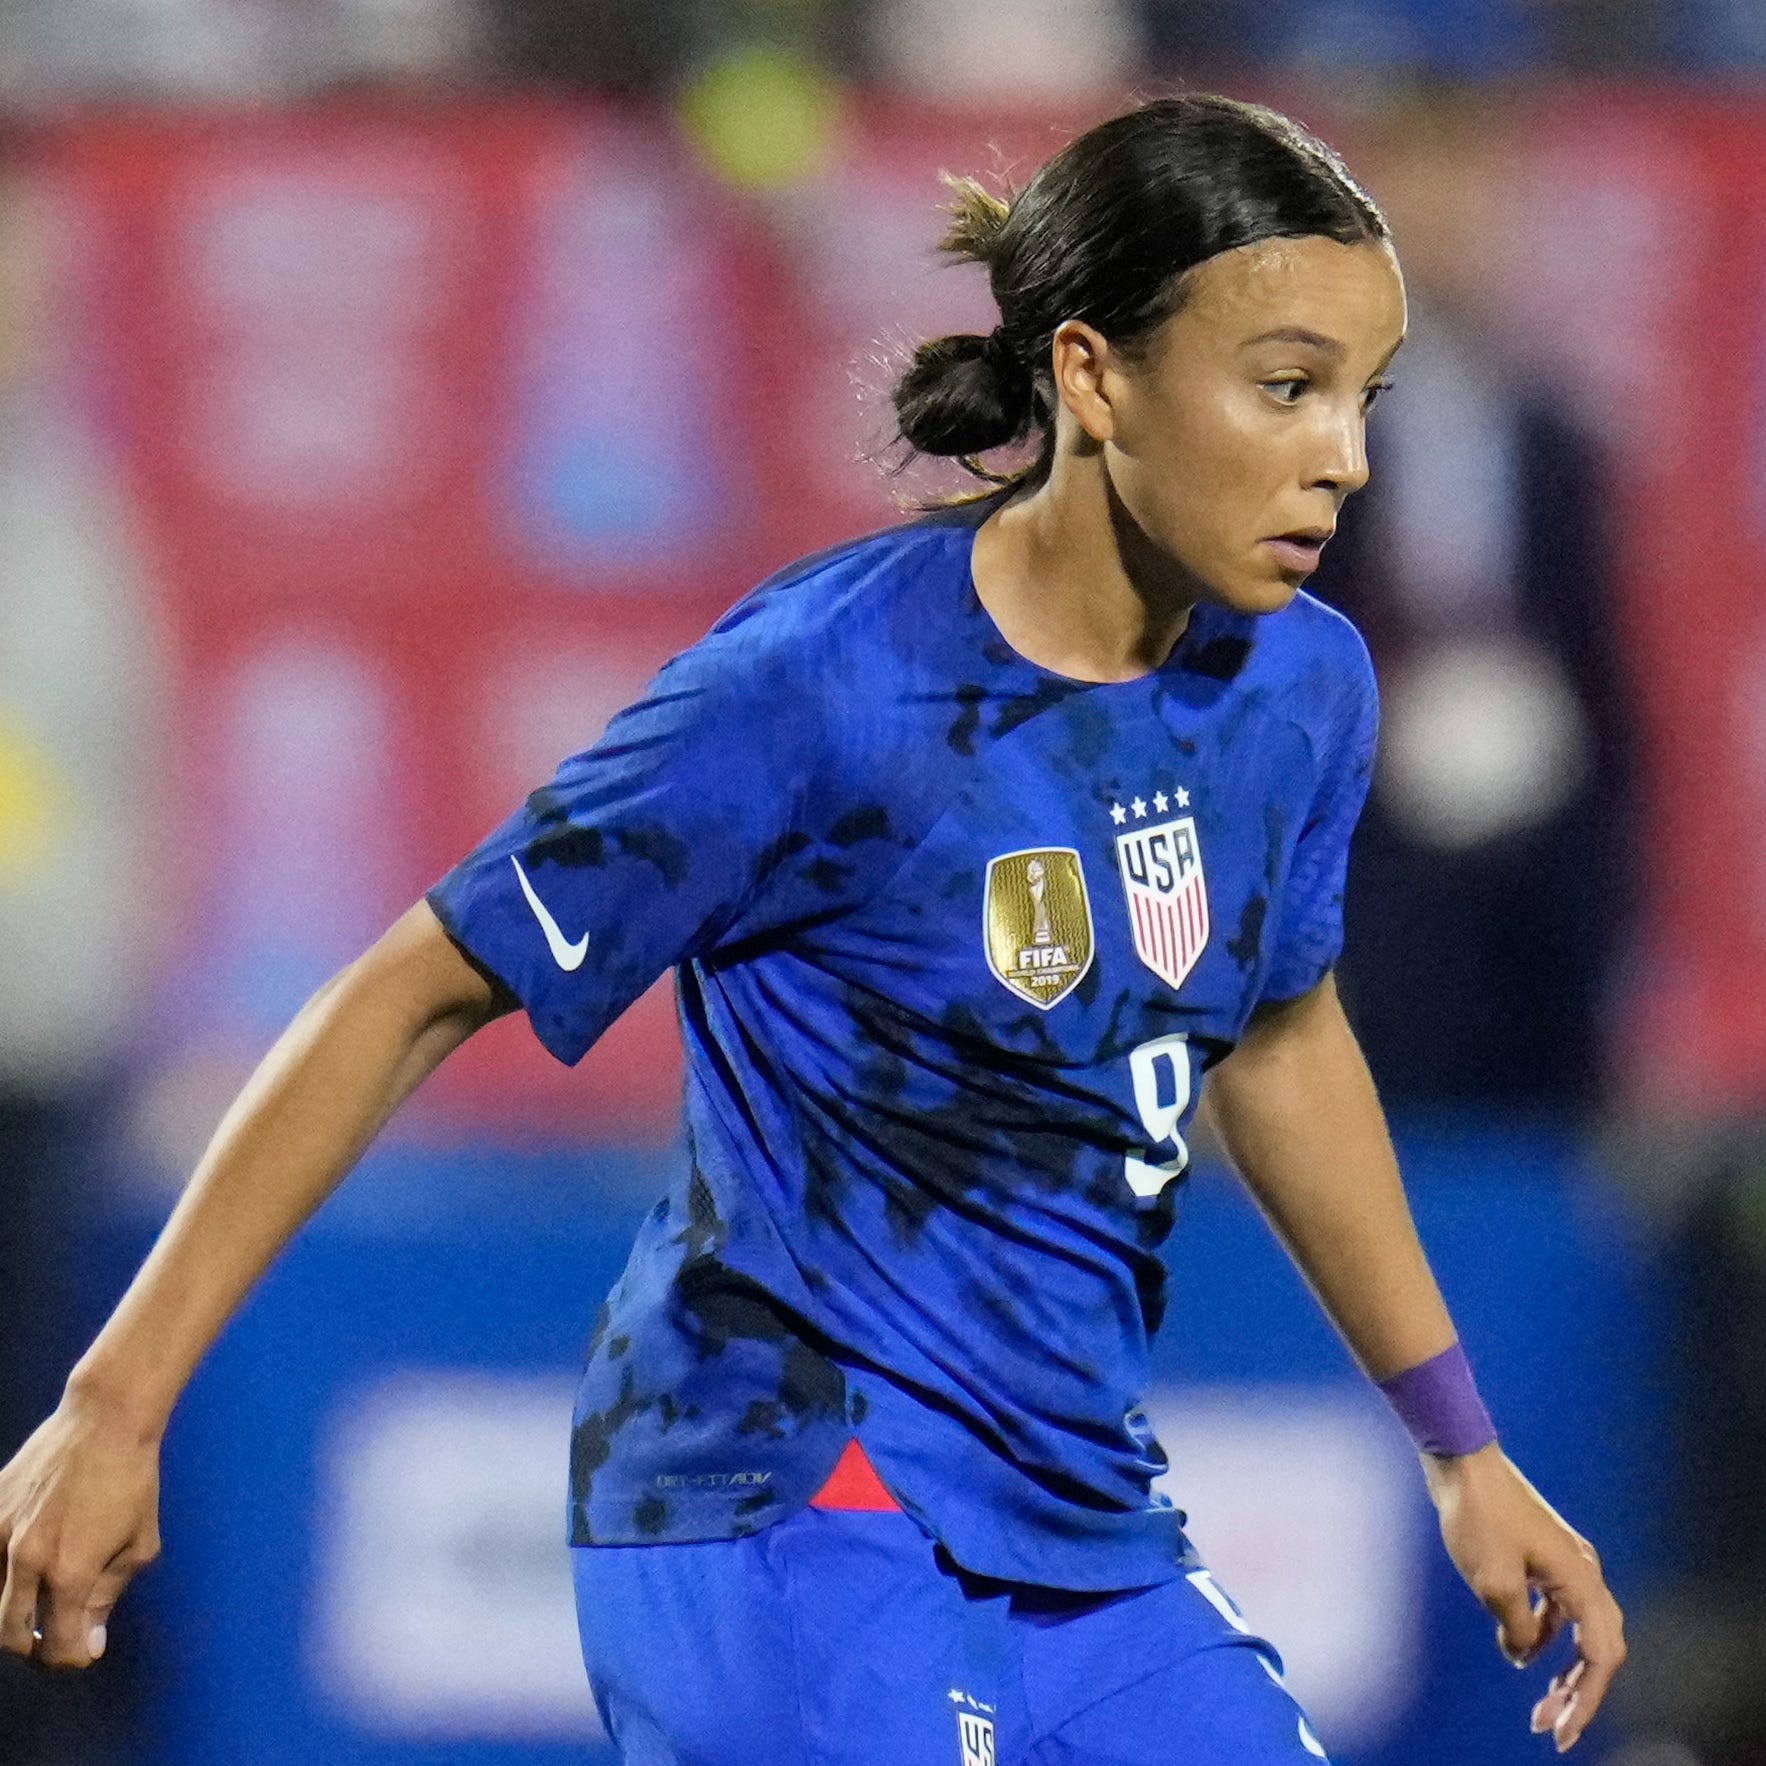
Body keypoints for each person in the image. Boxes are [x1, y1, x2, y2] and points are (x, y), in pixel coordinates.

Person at [0, 95, 1624, 1763]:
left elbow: (1276, 1037)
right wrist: (114, 1404)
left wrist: (1460, 1448)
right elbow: (410, 991)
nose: (1343, 453)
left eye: (1363, 396)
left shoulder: (1298, 687)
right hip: (772, 1487)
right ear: (1091, 376)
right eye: (1286, 385)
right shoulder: (822, 688)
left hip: (1075, 1512)